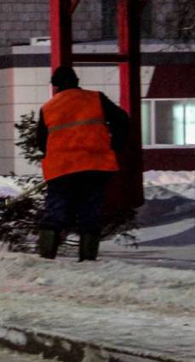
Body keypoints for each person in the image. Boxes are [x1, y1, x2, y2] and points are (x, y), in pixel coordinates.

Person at [35, 66, 129, 261]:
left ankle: (46, 257)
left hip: (61, 170)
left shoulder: (48, 108)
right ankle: (87, 259)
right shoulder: (96, 99)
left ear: (56, 86)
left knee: (55, 212)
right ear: (77, 81)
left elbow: (40, 142)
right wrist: (114, 146)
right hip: (94, 166)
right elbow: (122, 120)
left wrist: (55, 154)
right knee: (90, 212)